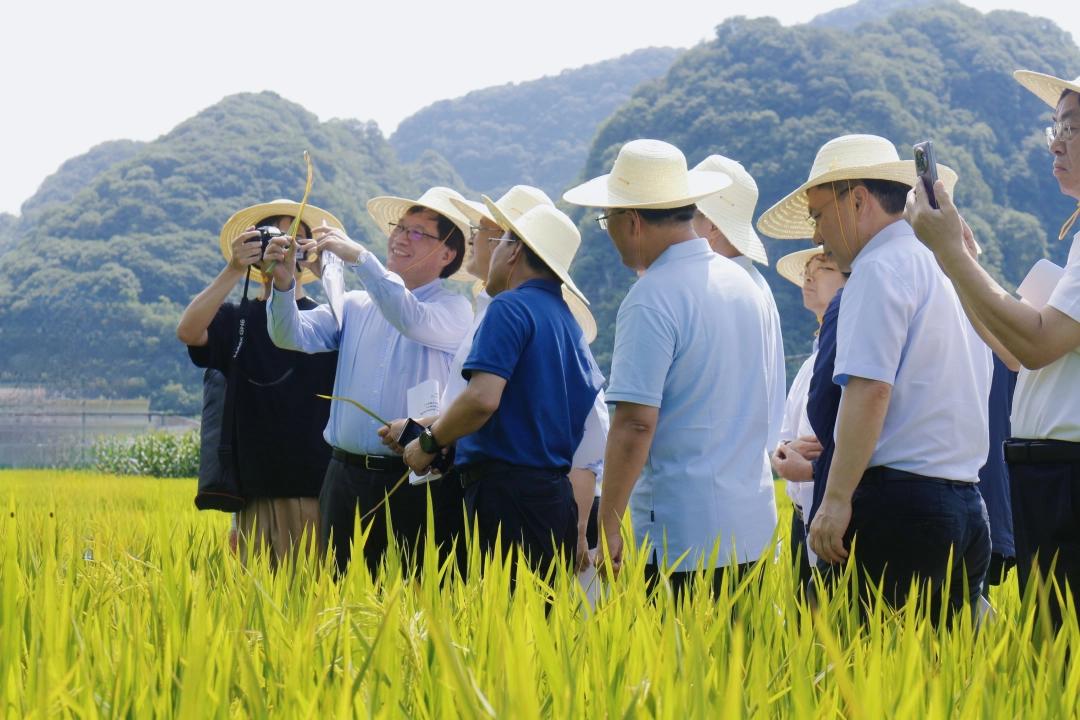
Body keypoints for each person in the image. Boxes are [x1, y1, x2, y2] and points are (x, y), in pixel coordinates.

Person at [759, 134, 993, 618]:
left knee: (873, 681)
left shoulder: (879, 267)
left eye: (819, 214)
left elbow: (869, 389)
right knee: (940, 682)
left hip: (901, 508)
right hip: (967, 503)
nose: (816, 235)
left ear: (858, 200)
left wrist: (836, 498)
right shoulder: (947, 266)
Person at [564, 139, 778, 598]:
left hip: (684, 534)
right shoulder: (743, 282)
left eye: (609, 221)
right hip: (753, 522)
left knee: (675, 665)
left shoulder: (652, 297)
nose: (612, 233)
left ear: (633, 221)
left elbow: (635, 422)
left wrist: (609, 522)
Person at [907, 69, 1080, 628]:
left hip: (1067, 476)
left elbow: (1035, 343)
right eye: (1056, 126)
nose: (1056, 141)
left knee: (1061, 657)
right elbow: (1016, 351)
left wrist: (952, 257)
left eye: (1073, 129)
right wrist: (960, 262)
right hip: (1048, 473)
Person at [379, 185, 608, 574]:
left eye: (495, 240)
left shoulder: (509, 306)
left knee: (500, 620)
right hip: (550, 496)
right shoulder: (565, 321)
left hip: (505, 494)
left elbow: (482, 399)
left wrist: (429, 443)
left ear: (513, 249)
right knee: (534, 622)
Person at [263, 187, 473, 576]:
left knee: (413, 591)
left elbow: (409, 317)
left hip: (416, 477)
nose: (400, 238)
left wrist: (359, 257)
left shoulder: (453, 309)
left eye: (417, 232)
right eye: (400, 228)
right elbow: (290, 335)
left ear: (447, 254)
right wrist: (282, 285)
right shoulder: (359, 304)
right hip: (344, 477)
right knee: (341, 593)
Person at [176, 200, 340, 567]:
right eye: (274, 238)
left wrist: (323, 268)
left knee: (310, 603)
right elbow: (188, 330)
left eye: (296, 240)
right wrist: (235, 268)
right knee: (256, 608)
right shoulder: (238, 320)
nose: (284, 247)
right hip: (252, 492)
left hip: (314, 486)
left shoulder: (329, 321)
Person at [692, 155, 786, 451]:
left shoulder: (716, 287)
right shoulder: (754, 283)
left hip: (710, 474)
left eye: (687, 214)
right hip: (746, 473)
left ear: (713, 225)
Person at [770, 248, 848, 587]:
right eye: (807, 270)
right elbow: (785, 436)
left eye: (825, 268)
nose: (809, 277)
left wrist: (812, 468)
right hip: (802, 514)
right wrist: (784, 453)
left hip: (834, 515)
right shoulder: (809, 363)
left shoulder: (850, 351)